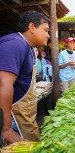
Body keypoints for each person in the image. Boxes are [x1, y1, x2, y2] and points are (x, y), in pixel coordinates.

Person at [0, 10, 50, 143]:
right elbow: (3, 83)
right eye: (45, 30)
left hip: (24, 113)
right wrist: (6, 128)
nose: (48, 35)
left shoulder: (29, 47)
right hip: (12, 117)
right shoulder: (15, 44)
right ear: (32, 27)